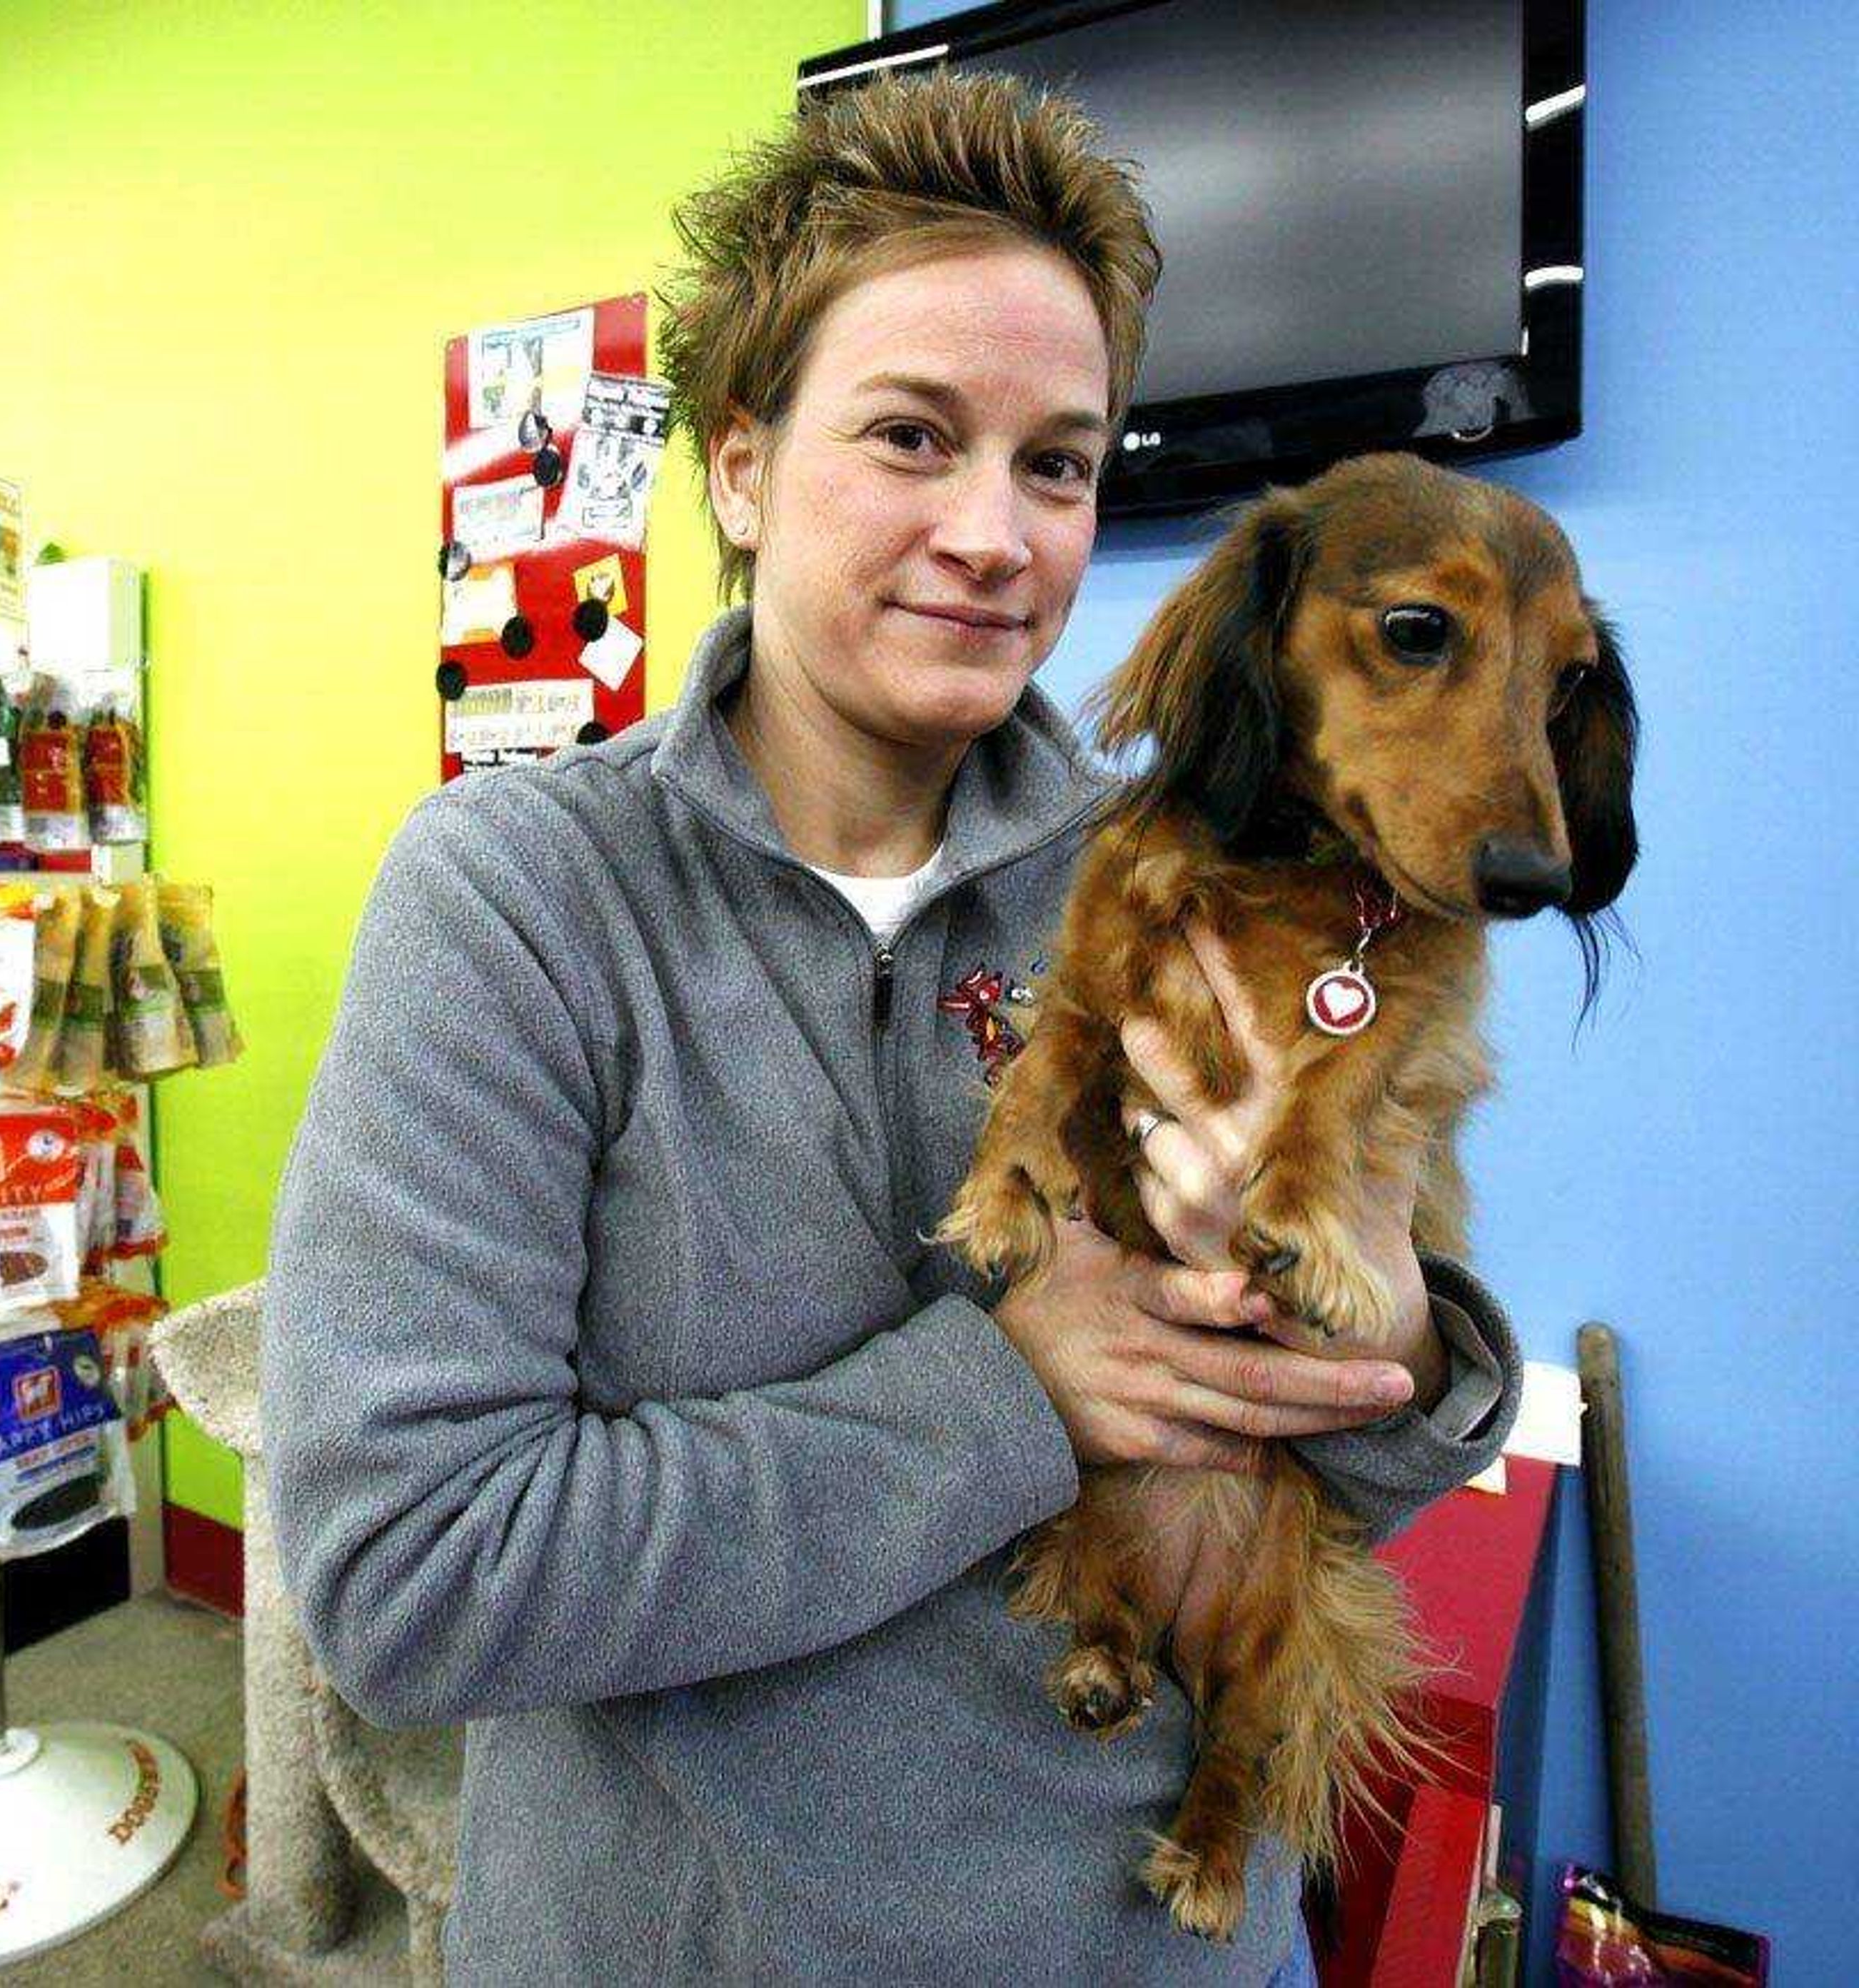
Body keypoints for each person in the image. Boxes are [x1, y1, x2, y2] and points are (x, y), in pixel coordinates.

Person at [262, 69, 1519, 1986]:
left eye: (1061, 463)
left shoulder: (1198, 871)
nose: (999, 536)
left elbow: (1349, 1461)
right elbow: (415, 1583)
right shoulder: (518, 900)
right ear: (743, 464)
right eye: (914, 438)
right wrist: (1007, 1392)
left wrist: (1397, 1333)